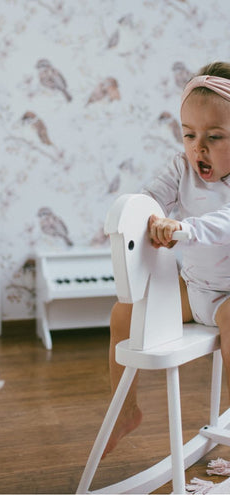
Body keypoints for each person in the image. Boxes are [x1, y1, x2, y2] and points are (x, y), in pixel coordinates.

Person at [105, 61, 230, 456]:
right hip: (194, 289)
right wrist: (150, 218)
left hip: (229, 296)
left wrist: (184, 229)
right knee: (122, 315)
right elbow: (148, 199)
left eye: (215, 136)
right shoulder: (181, 169)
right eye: (189, 134)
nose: (199, 147)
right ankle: (125, 410)